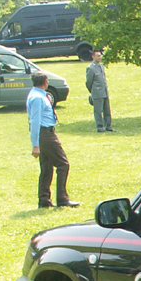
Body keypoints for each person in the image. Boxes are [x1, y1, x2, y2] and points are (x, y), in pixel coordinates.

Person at [27, 72, 78, 208]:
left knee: (47, 167)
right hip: (45, 134)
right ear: (45, 81)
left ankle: (44, 199)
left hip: (45, 133)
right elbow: (35, 121)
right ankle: (62, 198)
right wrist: (35, 145)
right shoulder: (38, 98)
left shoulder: (38, 94)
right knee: (63, 164)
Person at [85, 49, 114, 133]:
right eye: (98, 56)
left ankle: (108, 126)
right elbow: (88, 82)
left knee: (107, 110)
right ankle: (100, 127)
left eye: (100, 55)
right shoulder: (90, 68)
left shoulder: (101, 66)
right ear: (93, 57)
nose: (100, 57)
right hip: (97, 93)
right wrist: (93, 91)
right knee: (98, 111)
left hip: (104, 91)